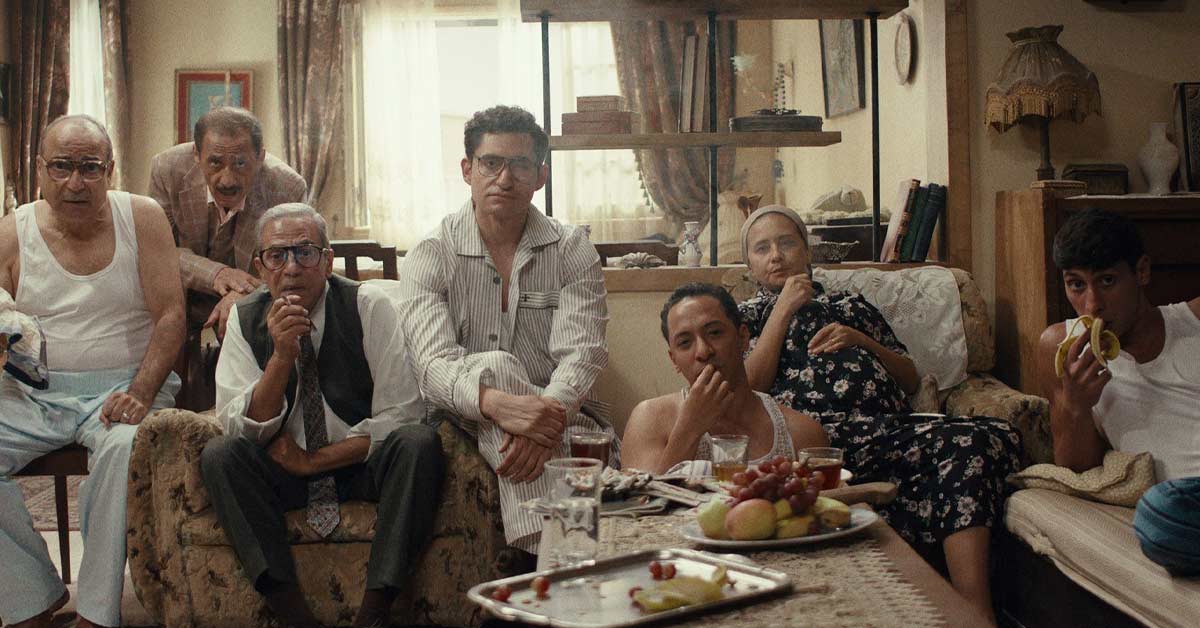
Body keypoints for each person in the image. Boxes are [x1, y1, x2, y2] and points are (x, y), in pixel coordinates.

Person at [737, 204, 1022, 620]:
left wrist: (861, 340)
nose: (776, 255)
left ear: (807, 251)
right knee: (967, 444)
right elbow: (750, 388)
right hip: (820, 439)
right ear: (750, 265)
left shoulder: (851, 305)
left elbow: (909, 378)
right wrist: (782, 308)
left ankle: (968, 608)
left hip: (891, 428)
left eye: (786, 243)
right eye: (762, 249)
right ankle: (974, 613)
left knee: (995, 436)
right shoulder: (747, 317)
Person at [200, 204, 443, 628]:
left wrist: (315, 461)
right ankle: (294, 617)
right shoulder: (244, 318)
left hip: (358, 467)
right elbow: (239, 427)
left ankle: (374, 614)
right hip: (283, 475)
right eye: (277, 256)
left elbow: (404, 413)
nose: (292, 267)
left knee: (419, 444)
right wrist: (280, 357)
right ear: (260, 266)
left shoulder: (368, 305)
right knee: (220, 455)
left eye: (305, 252)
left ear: (328, 262)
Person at [396, 105, 617, 553]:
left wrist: (544, 418)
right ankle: (556, 557)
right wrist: (497, 403)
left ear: (541, 175)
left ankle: (534, 561)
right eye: (491, 163)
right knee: (495, 365)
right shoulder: (431, 253)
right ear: (467, 170)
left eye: (520, 165)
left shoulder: (571, 249)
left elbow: (583, 353)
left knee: (506, 372)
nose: (504, 178)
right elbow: (432, 367)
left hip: (556, 408)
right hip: (462, 415)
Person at [0, 115, 184, 628]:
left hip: (127, 386)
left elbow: (171, 315)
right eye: (61, 167)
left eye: (89, 167)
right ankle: (30, 598)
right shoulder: (12, 231)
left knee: (126, 449)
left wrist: (141, 392)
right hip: (34, 393)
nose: (75, 182)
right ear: (40, 168)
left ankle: (98, 613)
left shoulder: (142, 217)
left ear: (111, 170)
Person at [1037, 208, 1200, 575]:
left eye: (1107, 281)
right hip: (1179, 510)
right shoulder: (1060, 347)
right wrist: (1076, 406)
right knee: (1159, 516)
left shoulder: (1192, 322)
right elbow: (1077, 469)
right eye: (1076, 285)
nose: (1092, 304)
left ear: (1141, 272)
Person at [623, 283, 829, 474]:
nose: (703, 351)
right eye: (685, 343)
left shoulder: (801, 432)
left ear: (743, 338)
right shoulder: (650, 419)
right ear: (674, 359)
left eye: (714, 333)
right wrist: (689, 428)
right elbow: (642, 499)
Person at [148, 106, 307, 337]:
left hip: (253, 297)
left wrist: (244, 293)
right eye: (215, 163)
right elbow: (158, 252)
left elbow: (288, 268)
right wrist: (217, 274)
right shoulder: (167, 169)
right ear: (196, 154)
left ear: (260, 157)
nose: (227, 180)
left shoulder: (288, 188)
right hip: (182, 292)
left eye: (240, 164)